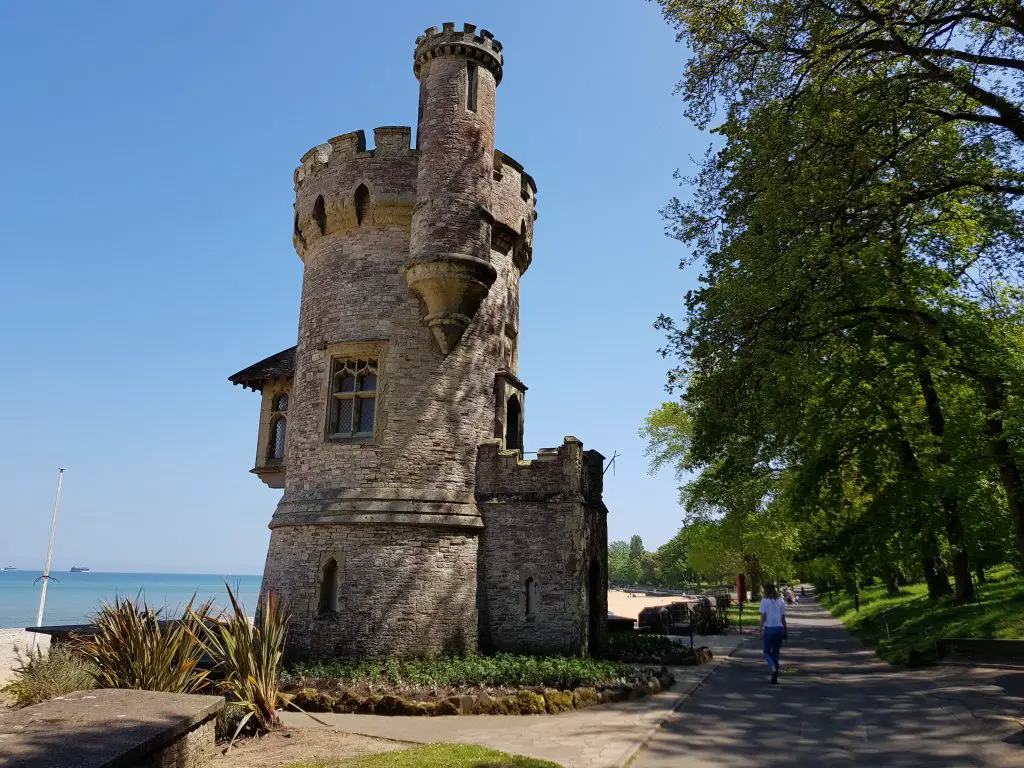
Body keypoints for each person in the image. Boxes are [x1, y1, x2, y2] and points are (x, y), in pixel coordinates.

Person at [759, 583, 788, 684]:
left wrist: (760, 630)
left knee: (767, 652)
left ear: (766, 590)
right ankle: (775, 677)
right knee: (776, 653)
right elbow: (783, 618)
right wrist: (785, 630)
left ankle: (772, 667)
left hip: (769, 629)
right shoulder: (781, 600)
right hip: (779, 629)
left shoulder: (764, 601)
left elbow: (763, 616)